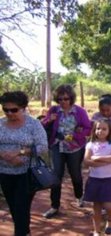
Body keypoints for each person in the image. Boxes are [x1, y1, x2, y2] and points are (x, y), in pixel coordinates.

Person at [0, 91, 48, 236]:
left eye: (13, 110)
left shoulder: (33, 124)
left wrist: (19, 153)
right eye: (5, 109)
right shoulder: (0, 123)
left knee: (21, 206)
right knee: (14, 207)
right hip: (4, 172)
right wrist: (4, 155)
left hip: (27, 173)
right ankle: (24, 231)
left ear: (23, 108)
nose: (9, 113)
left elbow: (42, 146)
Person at [42, 84, 91, 219]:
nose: (63, 102)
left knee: (75, 173)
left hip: (74, 147)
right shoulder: (54, 110)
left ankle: (79, 196)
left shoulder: (79, 111)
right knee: (56, 175)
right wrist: (48, 120)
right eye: (60, 99)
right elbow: (44, 124)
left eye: (66, 99)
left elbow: (88, 128)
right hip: (56, 146)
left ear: (71, 98)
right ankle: (54, 206)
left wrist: (76, 135)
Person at [83, 119, 111, 236]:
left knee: (109, 205)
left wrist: (98, 159)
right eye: (98, 128)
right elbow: (86, 161)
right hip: (95, 178)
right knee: (96, 207)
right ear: (94, 130)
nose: (101, 131)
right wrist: (97, 161)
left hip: (109, 178)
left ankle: (110, 220)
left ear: (109, 131)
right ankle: (96, 231)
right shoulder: (90, 144)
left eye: (104, 129)